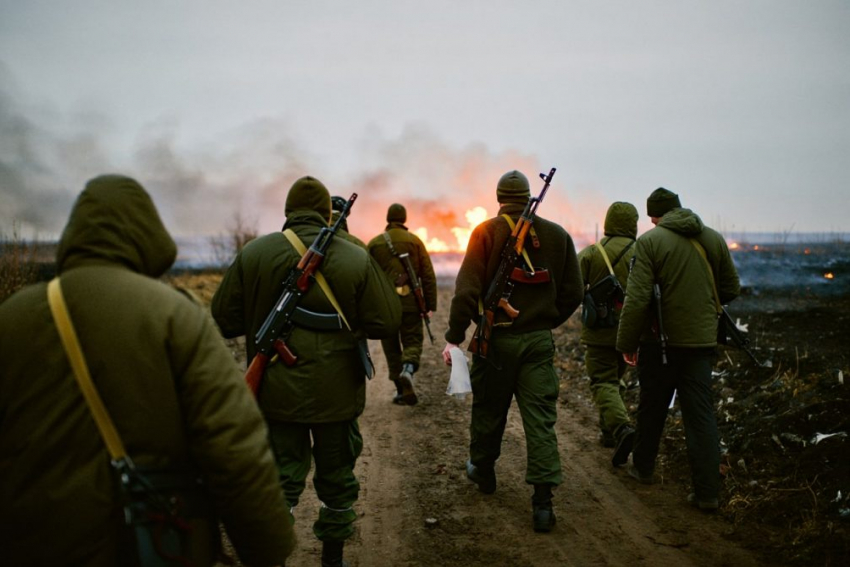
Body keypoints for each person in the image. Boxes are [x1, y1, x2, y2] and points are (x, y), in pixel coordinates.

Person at [0, 174, 295, 567]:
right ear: (147, 236)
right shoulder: (176, 315)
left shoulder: (11, 319)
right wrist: (266, 549)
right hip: (155, 544)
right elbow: (233, 445)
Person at [211, 176, 401, 567]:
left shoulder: (254, 253)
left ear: (287, 211)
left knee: (279, 481)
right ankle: (333, 557)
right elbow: (387, 321)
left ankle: (270, 558)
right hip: (338, 396)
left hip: (274, 395)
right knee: (338, 480)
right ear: (325, 213)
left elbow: (224, 319)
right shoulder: (355, 255)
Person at [441, 170, 583, 533]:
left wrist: (455, 336)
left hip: (498, 342)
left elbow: (466, 291)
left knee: (489, 409)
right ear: (527, 195)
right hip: (538, 342)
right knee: (540, 420)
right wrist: (546, 321)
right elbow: (573, 293)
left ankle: (483, 471)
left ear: (499, 197)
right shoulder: (558, 235)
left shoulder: (485, 232)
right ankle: (543, 503)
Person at [616, 187, 740, 512]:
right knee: (701, 416)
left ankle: (642, 469)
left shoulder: (650, 242)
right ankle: (707, 494)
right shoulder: (712, 238)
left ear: (655, 216)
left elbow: (638, 299)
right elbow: (730, 288)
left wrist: (627, 343)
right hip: (701, 344)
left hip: (660, 345)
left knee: (652, 407)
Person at [577, 201, 639, 466]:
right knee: (615, 379)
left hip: (599, 332)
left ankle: (621, 429)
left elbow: (574, 287)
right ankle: (608, 432)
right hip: (632, 331)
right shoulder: (643, 252)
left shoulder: (592, 253)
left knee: (603, 381)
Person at [367, 203, 438, 405]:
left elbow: (368, 278)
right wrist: (429, 305)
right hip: (411, 304)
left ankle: (400, 388)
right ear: (404, 219)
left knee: (390, 347)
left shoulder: (374, 244)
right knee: (413, 340)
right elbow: (428, 275)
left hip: (385, 306)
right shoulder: (415, 242)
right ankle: (408, 369)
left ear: (388, 218)